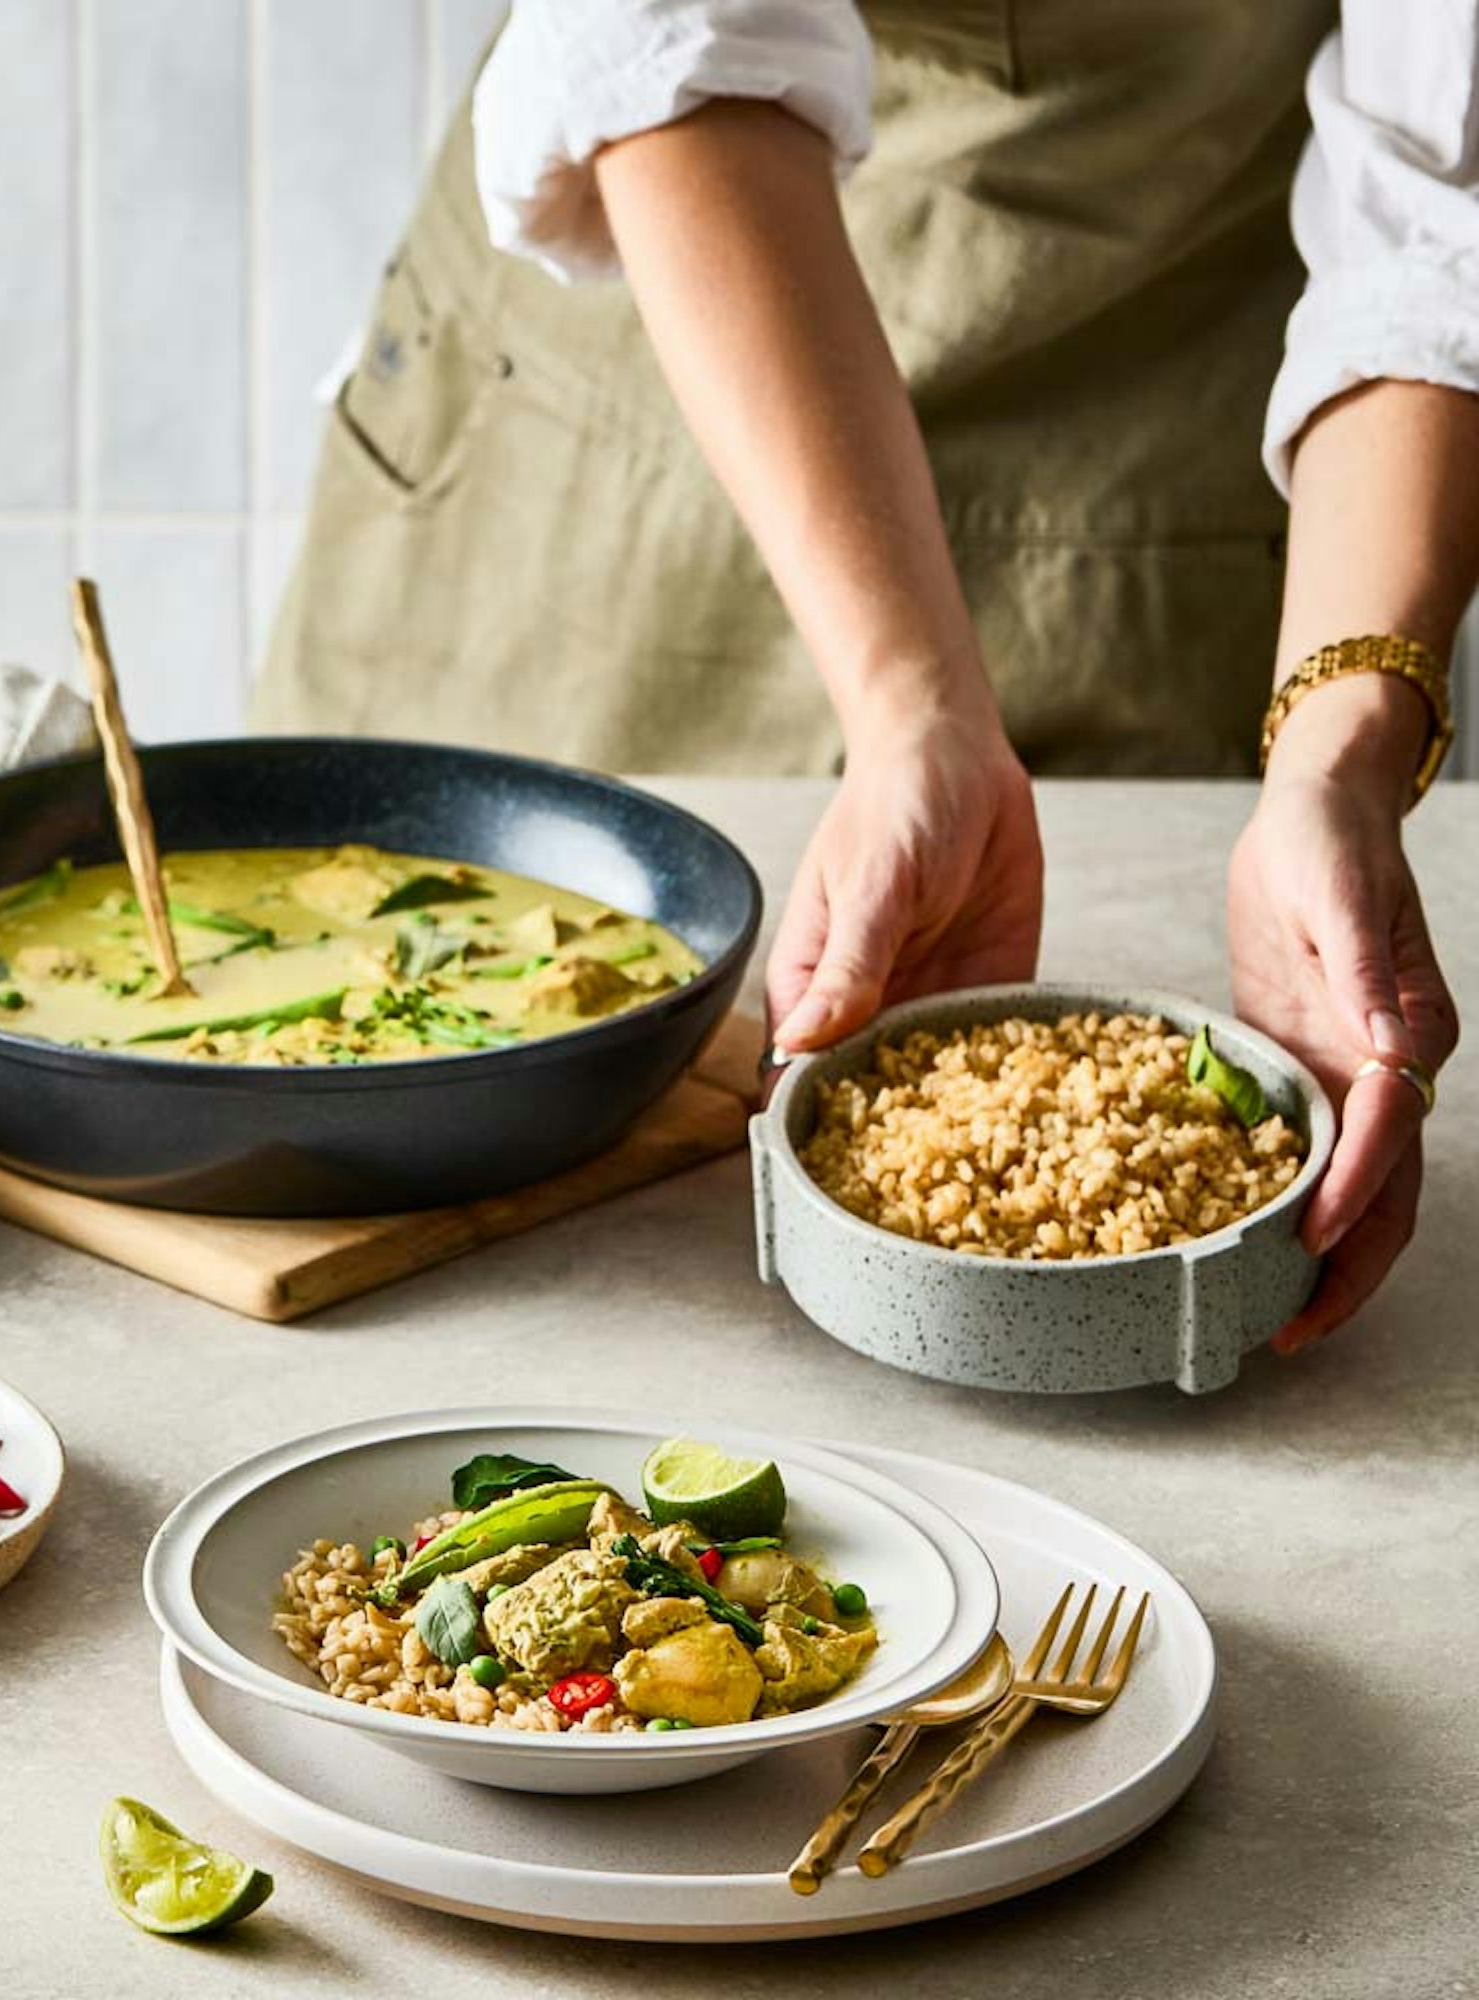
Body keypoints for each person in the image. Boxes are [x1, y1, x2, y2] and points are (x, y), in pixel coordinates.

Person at [255, 1, 1472, 1353]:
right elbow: (671, 40)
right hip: (642, 380)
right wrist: (915, 710)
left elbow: (1442, 190)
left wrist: (1337, 763)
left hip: (1150, 449)